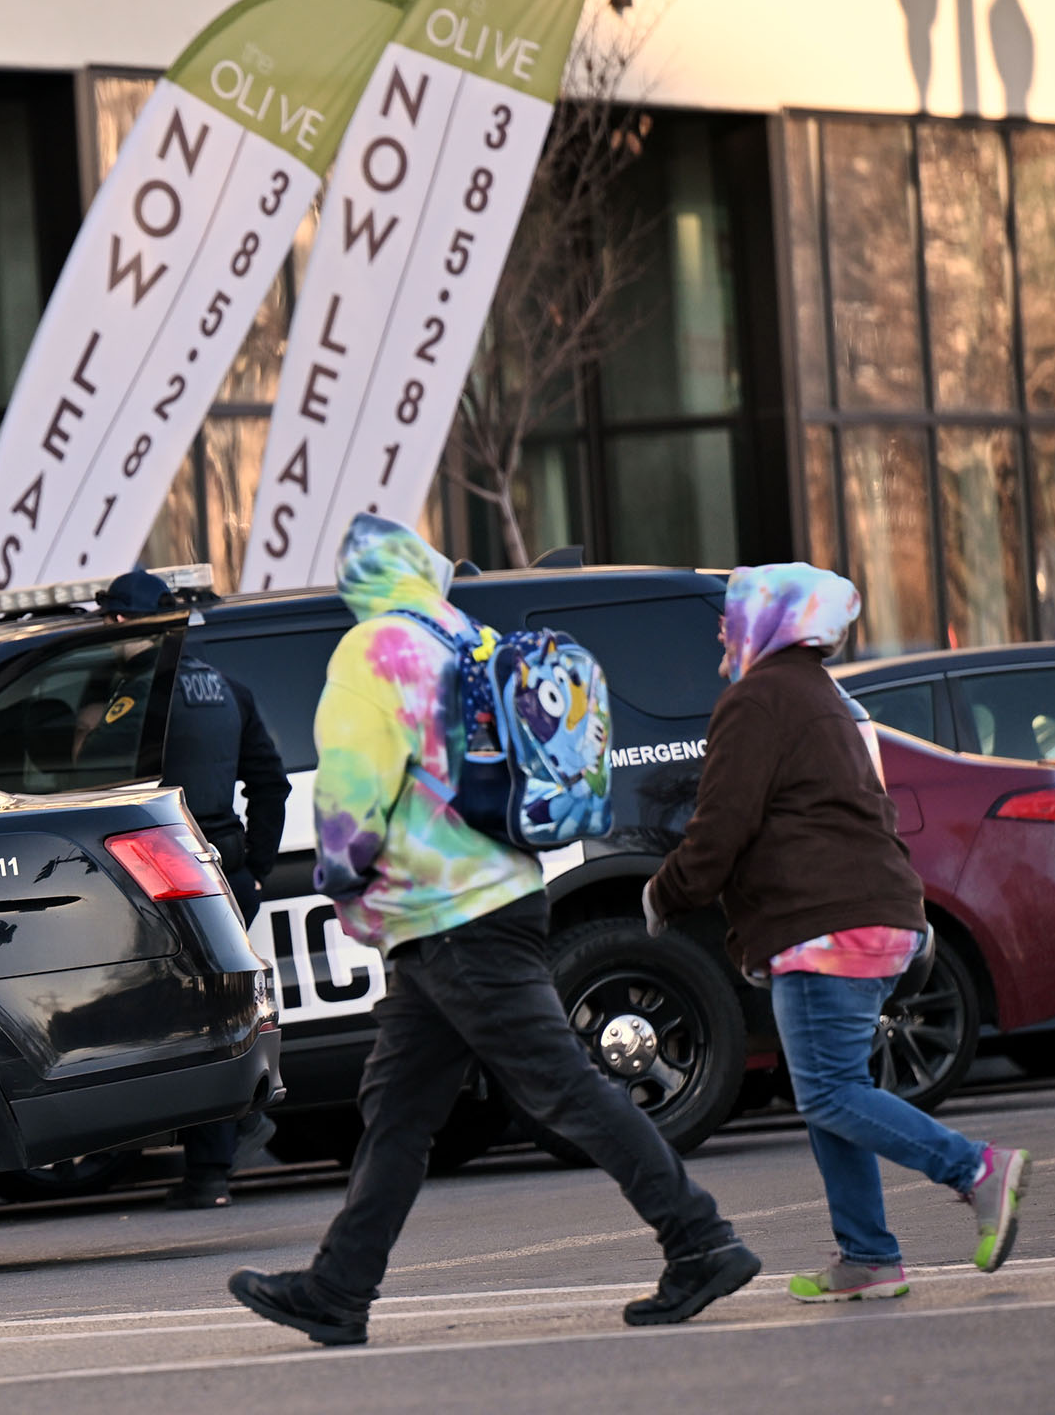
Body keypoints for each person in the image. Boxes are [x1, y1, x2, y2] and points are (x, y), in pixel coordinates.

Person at [225, 514, 756, 1347]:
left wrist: (340, 874)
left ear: (358, 580)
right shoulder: (470, 637)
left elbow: (351, 790)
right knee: (396, 1108)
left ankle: (701, 1239)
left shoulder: (375, 651)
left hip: (448, 913)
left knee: (563, 1087)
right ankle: (338, 1289)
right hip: (491, 894)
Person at [644, 564, 1029, 1299]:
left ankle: (976, 1170)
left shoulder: (756, 700)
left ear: (770, 620)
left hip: (826, 925)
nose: (722, 630)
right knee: (833, 1088)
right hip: (875, 914)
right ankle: (868, 1257)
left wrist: (667, 893)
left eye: (732, 614)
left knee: (826, 1092)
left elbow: (721, 825)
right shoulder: (824, 695)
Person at [152, 610, 286, 1208]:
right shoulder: (229, 689)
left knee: (191, 1018)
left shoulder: (142, 696)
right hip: (224, 866)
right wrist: (255, 869)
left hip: (166, 866)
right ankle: (241, 1124)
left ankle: (214, 1163)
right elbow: (269, 782)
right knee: (216, 1008)